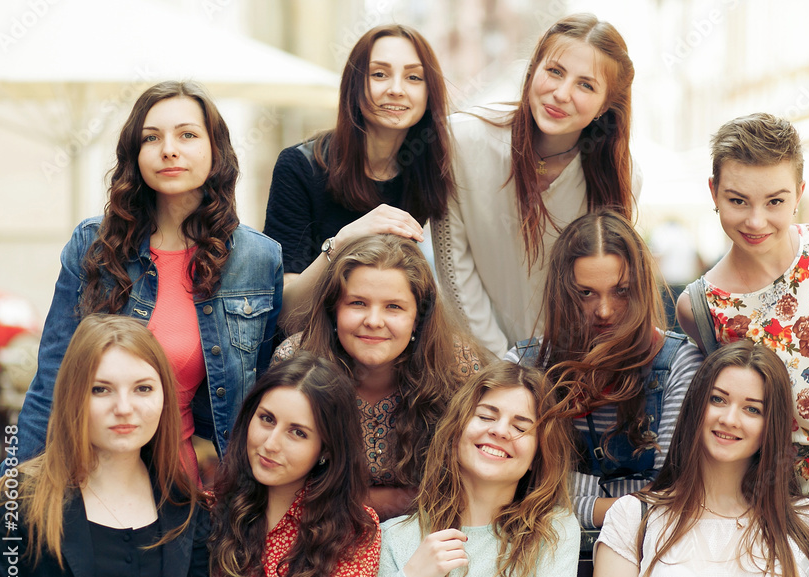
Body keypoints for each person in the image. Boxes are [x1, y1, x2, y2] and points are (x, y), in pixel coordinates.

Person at [14, 81, 283, 478]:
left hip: (186, 487)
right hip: (89, 476)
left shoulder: (257, 259)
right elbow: (52, 381)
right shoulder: (94, 246)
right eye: (151, 138)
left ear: (217, 152)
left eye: (187, 135)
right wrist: (11, 488)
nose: (168, 149)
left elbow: (260, 399)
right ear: (135, 155)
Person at [592, 340, 809, 577]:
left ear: (772, 425)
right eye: (718, 400)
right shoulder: (634, 517)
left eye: (752, 409)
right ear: (696, 405)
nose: (730, 418)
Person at [676, 112, 809, 498]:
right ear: (713, 192)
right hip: (796, 502)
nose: (756, 221)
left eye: (775, 201)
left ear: (799, 194)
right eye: (738, 200)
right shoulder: (701, 306)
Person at [0, 315, 208, 577]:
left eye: (143, 388)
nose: (124, 408)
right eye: (100, 389)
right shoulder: (18, 504)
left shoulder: (185, 509)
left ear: (165, 396)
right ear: (73, 395)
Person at [432, 13, 638, 357]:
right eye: (554, 71)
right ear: (533, 70)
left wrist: (553, 372)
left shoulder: (621, 175)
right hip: (475, 368)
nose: (561, 93)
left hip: (569, 373)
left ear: (605, 105)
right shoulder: (460, 143)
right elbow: (455, 275)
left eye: (585, 85)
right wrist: (506, 367)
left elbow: (602, 295)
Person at [351, 361, 580, 577]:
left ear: (538, 454)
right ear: (457, 430)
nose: (499, 431)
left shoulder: (554, 530)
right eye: (486, 416)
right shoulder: (395, 539)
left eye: (521, 427)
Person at [506, 210, 703, 528]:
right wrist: (628, 503)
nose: (604, 311)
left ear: (640, 288)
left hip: (646, 551)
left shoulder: (678, 363)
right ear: (562, 293)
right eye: (585, 293)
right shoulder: (523, 364)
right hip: (541, 552)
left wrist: (556, 502)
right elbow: (506, 486)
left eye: (621, 291)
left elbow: (672, 496)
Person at [272, 235, 482, 520]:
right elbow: (279, 479)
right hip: (314, 531)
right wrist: (397, 499)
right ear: (334, 310)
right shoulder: (295, 358)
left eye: (393, 307)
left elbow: (468, 483)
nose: (373, 321)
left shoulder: (457, 366)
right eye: (357, 303)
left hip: (427, 531)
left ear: (417, 318)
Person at [266, 24, 452, 326]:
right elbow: (286, 313)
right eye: (379, 74)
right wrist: (344, 240)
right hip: (314, 348)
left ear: (429, 92)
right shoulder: (300, 166)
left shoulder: (430, 169)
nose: (396, 89)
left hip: (386, 338)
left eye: (413, 77)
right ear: (354, 85)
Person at [208, 354, 380, 577]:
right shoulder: (209, 509)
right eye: (267, 419)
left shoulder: (353, 529)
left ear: (326, 449)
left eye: (297, 432)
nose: (271, 443)